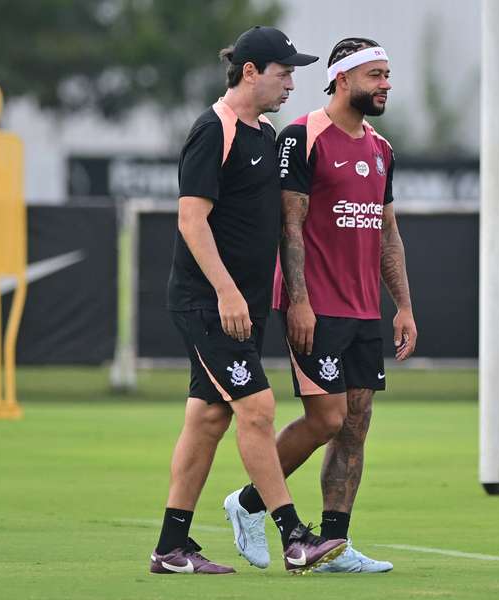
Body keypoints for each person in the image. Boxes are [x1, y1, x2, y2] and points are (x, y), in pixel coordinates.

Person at [149, 26, 346, 576]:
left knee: (209, 418)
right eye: (284, 73)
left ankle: (171, 549)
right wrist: (227, 291)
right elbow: (192, 220)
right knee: (256, 408)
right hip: (208, 303)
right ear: (251, 71)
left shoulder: (265, 135)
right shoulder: (213, 129)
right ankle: (294, 536)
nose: (290, 84)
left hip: (243, 306)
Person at [224, 37, 417, 573]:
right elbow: (290, 224)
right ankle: (246, 504)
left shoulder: (382, 149)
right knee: (327, 418)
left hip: (362, 311)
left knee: (355, 424)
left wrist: (402, 306)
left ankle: (334, 543)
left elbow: (388, 234)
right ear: (342, 79)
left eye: (387, 75)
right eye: (376, 75)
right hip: (315, 304)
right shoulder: (302, 136)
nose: (386, 85)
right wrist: (300, 301)